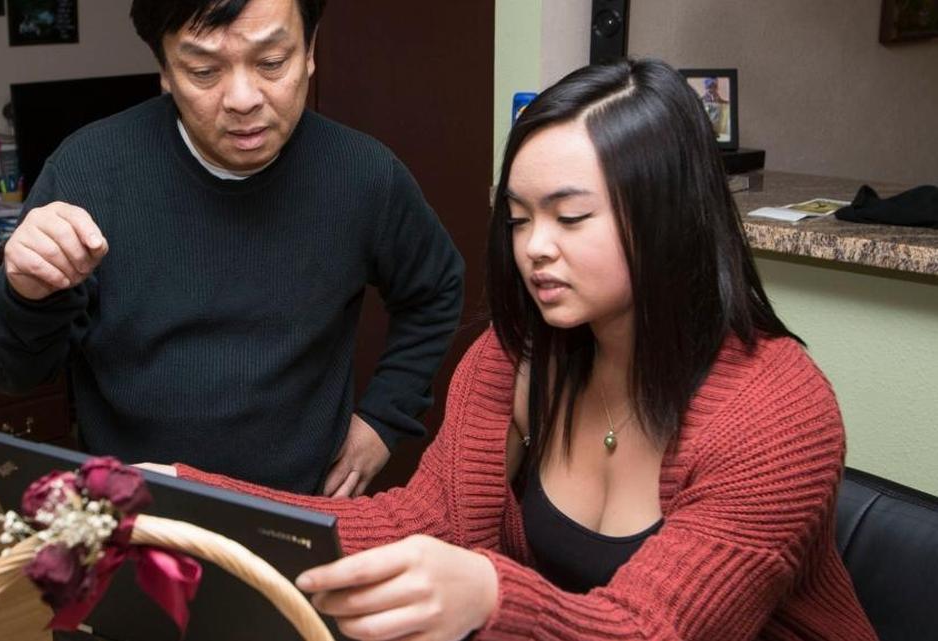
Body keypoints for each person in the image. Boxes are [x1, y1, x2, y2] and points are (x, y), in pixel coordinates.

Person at [151, 58, 878, 640]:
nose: (534, 248)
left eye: (570, 217)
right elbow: (417, 523)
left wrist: (491, 595)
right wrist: (181, 495)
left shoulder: (778, 414)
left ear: (668, 219)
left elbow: (652, 627)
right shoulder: (518, 355)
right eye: (519, 217)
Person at [0, 0, 464, 498]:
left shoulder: (363, 175)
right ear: (165, 69)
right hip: (136, 509)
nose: (243, 99)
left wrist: (382, 419)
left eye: (272, 63)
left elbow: (436, 290)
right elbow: (10, 373)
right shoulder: (88, 173)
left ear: (309, 50)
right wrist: (24, 295)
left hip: (300, 508)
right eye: (204, 71)